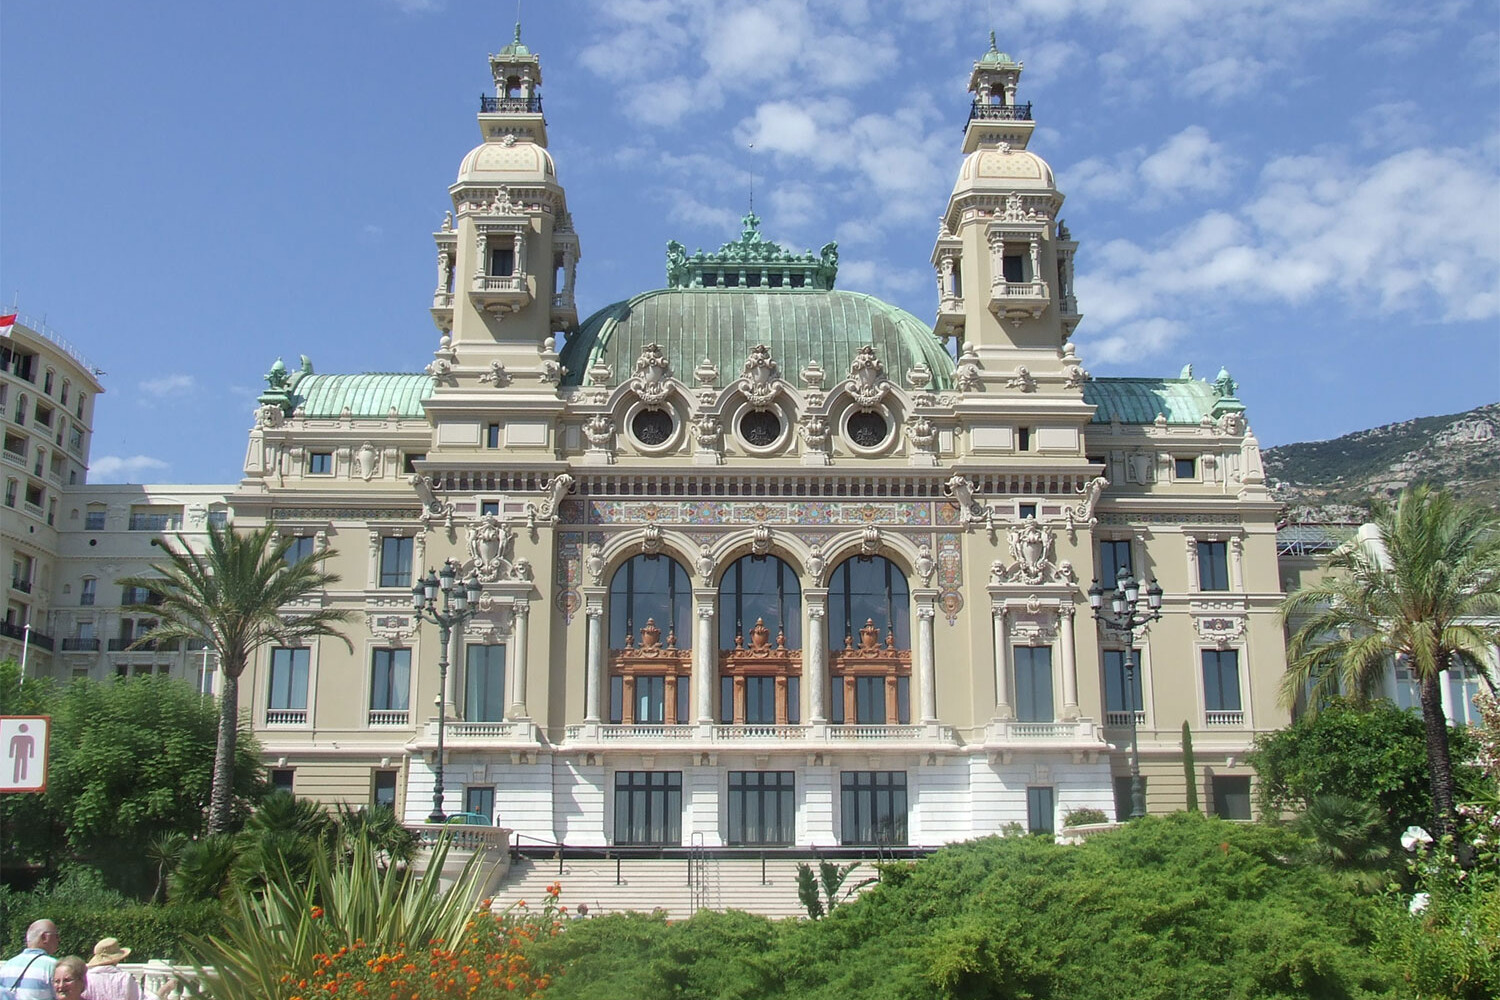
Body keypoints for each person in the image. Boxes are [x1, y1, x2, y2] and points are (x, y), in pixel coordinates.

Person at [1, 918, 59, 1000]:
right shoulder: (54, 966)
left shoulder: (7, 966)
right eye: (56, 936)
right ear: (45, 937)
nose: (58, 940)